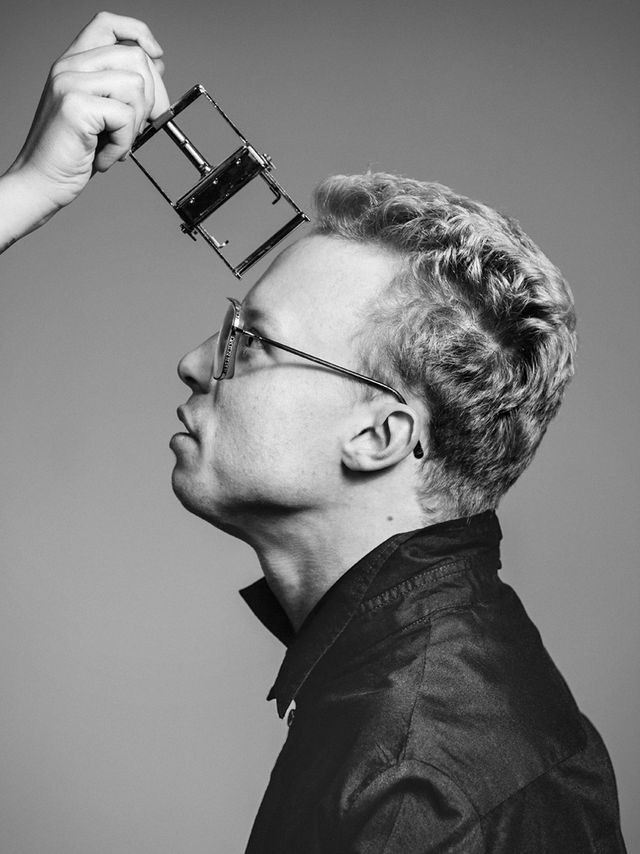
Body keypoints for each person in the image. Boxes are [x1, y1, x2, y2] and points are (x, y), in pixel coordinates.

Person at [1, 12, 627, 853]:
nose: (193, 362)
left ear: (379, 436)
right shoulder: (413, 697)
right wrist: (26, 190)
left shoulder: (413, 791)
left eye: (253, 342)